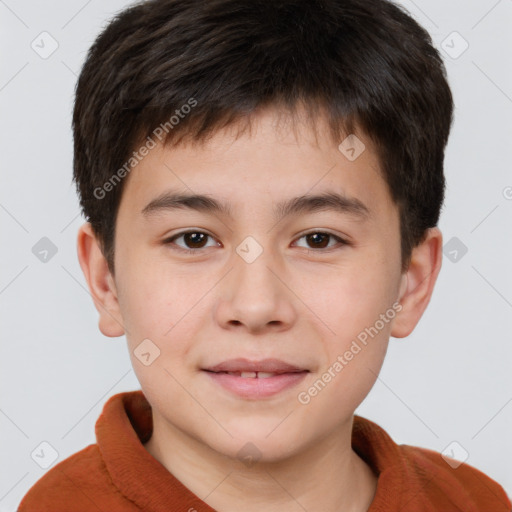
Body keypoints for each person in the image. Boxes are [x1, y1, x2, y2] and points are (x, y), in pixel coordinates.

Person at [18, 0, 511, 510]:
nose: (255, 307)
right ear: (106, 281)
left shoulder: (474, 501)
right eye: (193, 239)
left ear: (412, 281)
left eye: (319, 239)